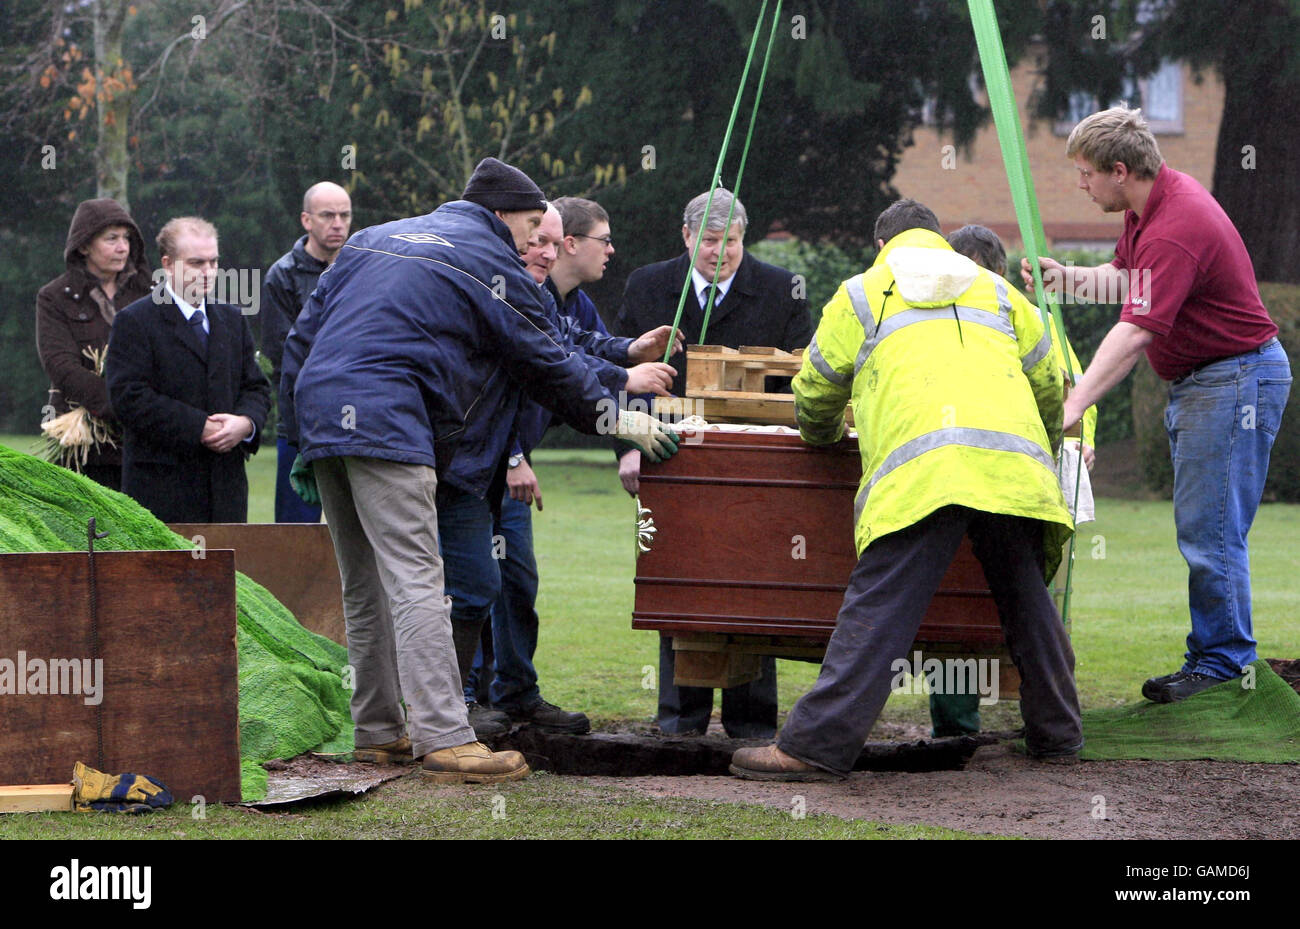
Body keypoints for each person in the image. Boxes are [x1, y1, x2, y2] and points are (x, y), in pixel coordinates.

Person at [278, 157, 679, 782]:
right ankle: (444, 738)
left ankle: (378, 730)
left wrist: (298, 434)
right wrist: (618, 419)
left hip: (326, 418)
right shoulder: (488, 258)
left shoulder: (373, 238)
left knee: (364, 585)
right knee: (416, 578)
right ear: (499, 217)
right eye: (529, 227)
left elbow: (302, 339)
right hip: (391, 425)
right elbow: (546, 359)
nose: (534, 242)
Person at [730, 199, 1082, 781]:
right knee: (1028, 601)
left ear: (881, 245)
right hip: (1012, 471)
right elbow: (1050, 382)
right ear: (939, 239)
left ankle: (815, 747)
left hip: (924, 471)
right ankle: (1058, 734)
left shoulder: (863, 293)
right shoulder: (997, 292)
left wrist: (819, 437)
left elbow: (815, 389)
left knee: (882, 606)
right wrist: (1036, 451)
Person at [1022, 105, 1291, 704]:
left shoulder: (1175, 224)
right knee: (1207, 528)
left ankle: (1222, 665)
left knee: (1211, 531)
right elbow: (1128, 280)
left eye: (1087, 173)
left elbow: (1136, 329)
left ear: (1120, 170)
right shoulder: (1152, 210)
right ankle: (1216, 657)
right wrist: (1065, 277)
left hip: (1234, 380)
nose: (1081, 184)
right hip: (1211, 380)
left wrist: (1075, 402)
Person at [463, 203, 680, 733]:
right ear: (570, 244)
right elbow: (530, 368)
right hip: (484, 461)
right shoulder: (513, 292)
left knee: (515, 580)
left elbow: (578, 341)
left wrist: (629, 350)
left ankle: (515, 694)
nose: (611, 250)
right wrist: (514, 455)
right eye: (603, 240)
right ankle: (463, 703)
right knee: (471, 580)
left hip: (508, 459)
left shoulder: (567, 301)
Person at [615, 188, 812, 739]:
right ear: (686, 236)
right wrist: (629, 445)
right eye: (709, 241)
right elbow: (617, 369)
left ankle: (752, 724)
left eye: (731, 242)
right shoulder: (648, 285)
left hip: (758, 469)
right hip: (669, 460)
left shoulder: (781, 289)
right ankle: (680, 720)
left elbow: (801, 383)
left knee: (757, 581)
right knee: (679, 579)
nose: (720, 253)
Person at [923, 223, 1098, 739]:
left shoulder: (1015, 319)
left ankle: (980, 726)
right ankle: (1043, 728)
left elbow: (1073, 390)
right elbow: (1063, 391)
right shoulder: (1013, 316)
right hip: (1004, 482)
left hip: (973, 479)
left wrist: (1081, 438)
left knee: (980, 601)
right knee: (1013, 599)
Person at [106, 217, 270, 523]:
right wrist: (198, 426)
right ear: (168, 264)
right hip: (161, 492)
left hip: (226, 491)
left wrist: (245, 424)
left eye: (213, 261)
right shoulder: (136, 321)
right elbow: (128, 398)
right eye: (196, 263)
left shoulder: (233, 319)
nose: (208, 272)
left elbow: (256, 388)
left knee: (226, 572)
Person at [36, 198, 153, 490]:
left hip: (146, 444)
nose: (122, 247)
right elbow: (61, 366)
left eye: (126, 238)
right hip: (83, 448)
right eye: (111, 238)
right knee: (83, 533)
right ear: (84, 245)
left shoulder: (153, 293)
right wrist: (122, 406)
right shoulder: (54, 297)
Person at [261, 181, 353, 523]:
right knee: (295, 531)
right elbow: (283, 357)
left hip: (358, 419)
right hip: (300, 423)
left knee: (363, 529)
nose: (338, 223)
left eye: (344, 215)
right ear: (306, 220)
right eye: (327, 215)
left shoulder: (362, 267)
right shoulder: (282, 276)